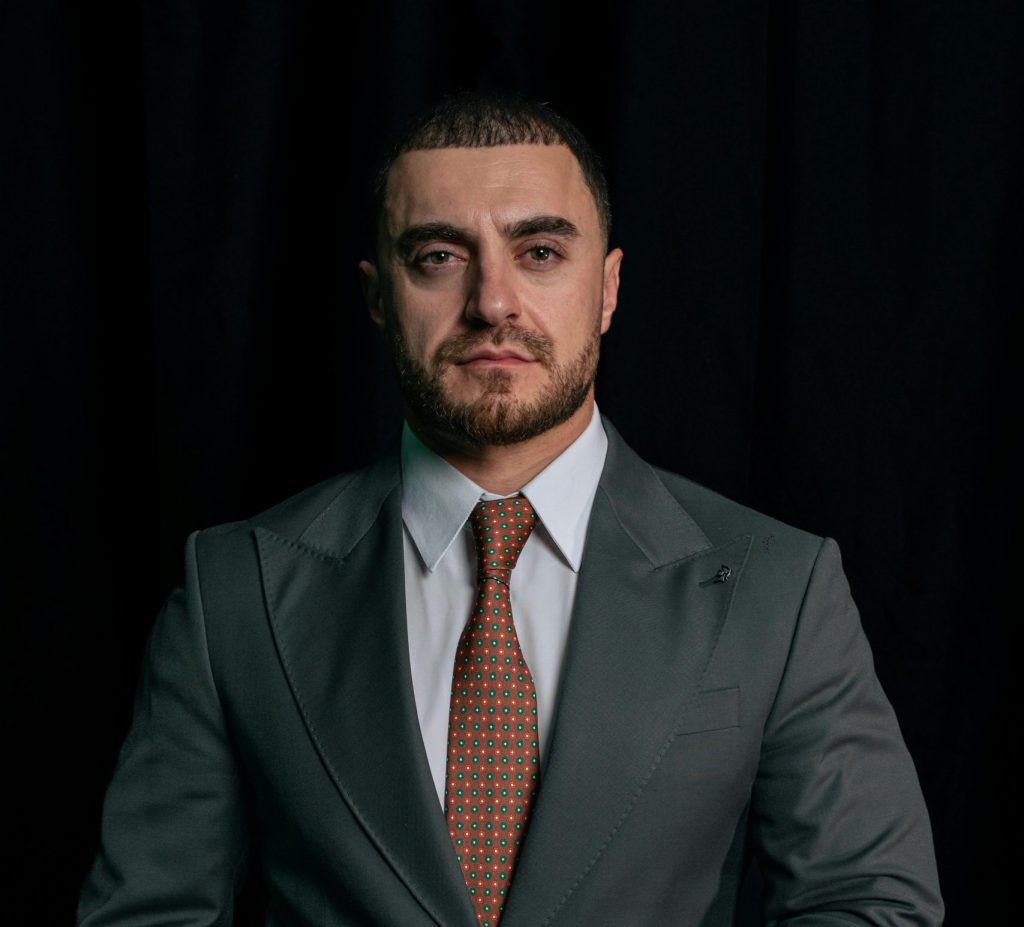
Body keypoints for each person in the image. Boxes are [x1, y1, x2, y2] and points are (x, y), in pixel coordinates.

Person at [78, 93, 944, 926]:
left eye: (538, 252)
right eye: (439, 256)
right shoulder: (234, 590)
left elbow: (872, 904)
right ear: (379, 298)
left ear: (606, 289)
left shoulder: (779, 589)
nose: (492, 301)